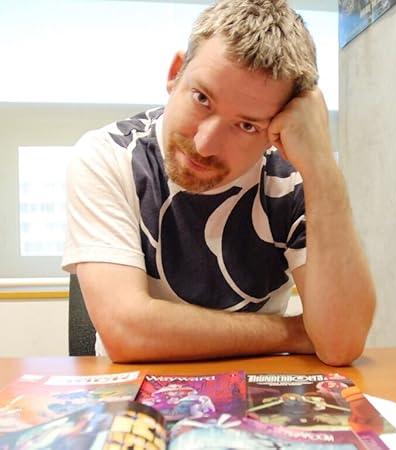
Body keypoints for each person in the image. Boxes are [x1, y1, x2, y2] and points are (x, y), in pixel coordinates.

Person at [63, 0, 376, 365]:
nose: (205, 144)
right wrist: (295, 332)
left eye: (246, 125)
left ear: (277, 129)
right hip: (135, 389)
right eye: (202, 99)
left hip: (259, 386)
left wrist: (322, 166)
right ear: (175, 73)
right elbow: (126, 331)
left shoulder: (291, 177)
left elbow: (340, 344)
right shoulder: (108, 156)